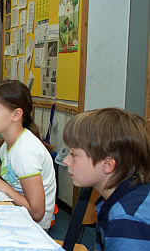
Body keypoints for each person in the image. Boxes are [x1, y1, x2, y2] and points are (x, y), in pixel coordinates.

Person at [62, 107, 150, 250]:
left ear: (107, 164)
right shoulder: (116, 197)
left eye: (74, 154)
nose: (66, 160)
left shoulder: (126, 220)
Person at [0, 80, 56, 230]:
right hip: (18, 216)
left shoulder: (25, 151)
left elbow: (36, 213)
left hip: (33, 228)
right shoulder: (8, 144)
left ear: (16, 114)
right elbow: (16, 185)